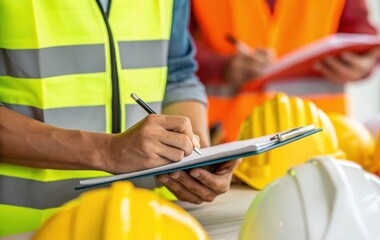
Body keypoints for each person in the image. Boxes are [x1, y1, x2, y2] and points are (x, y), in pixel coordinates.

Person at [0, 0, 238, 236]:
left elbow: (177, 74)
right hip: (28, 228)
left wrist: (197, 157)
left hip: (147, 221)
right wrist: (105, 150)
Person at [191, 0, 380, 142]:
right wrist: (219, 66)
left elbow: (363, 36)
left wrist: (364, 62)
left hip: (323, 139)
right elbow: (174, 45)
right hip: (227, 142)